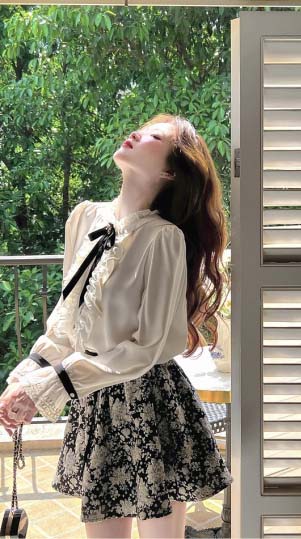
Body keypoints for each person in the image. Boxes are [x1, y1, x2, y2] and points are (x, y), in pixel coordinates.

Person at [0, 113, 234, 538]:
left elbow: (146, 348)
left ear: (169, 171)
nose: (137, 133)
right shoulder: (84, 218)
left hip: (151, 403)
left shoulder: (163, 238)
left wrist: (52, 385)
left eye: (154, 136)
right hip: (94, 401)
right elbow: (66, 321)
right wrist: (29, 376)